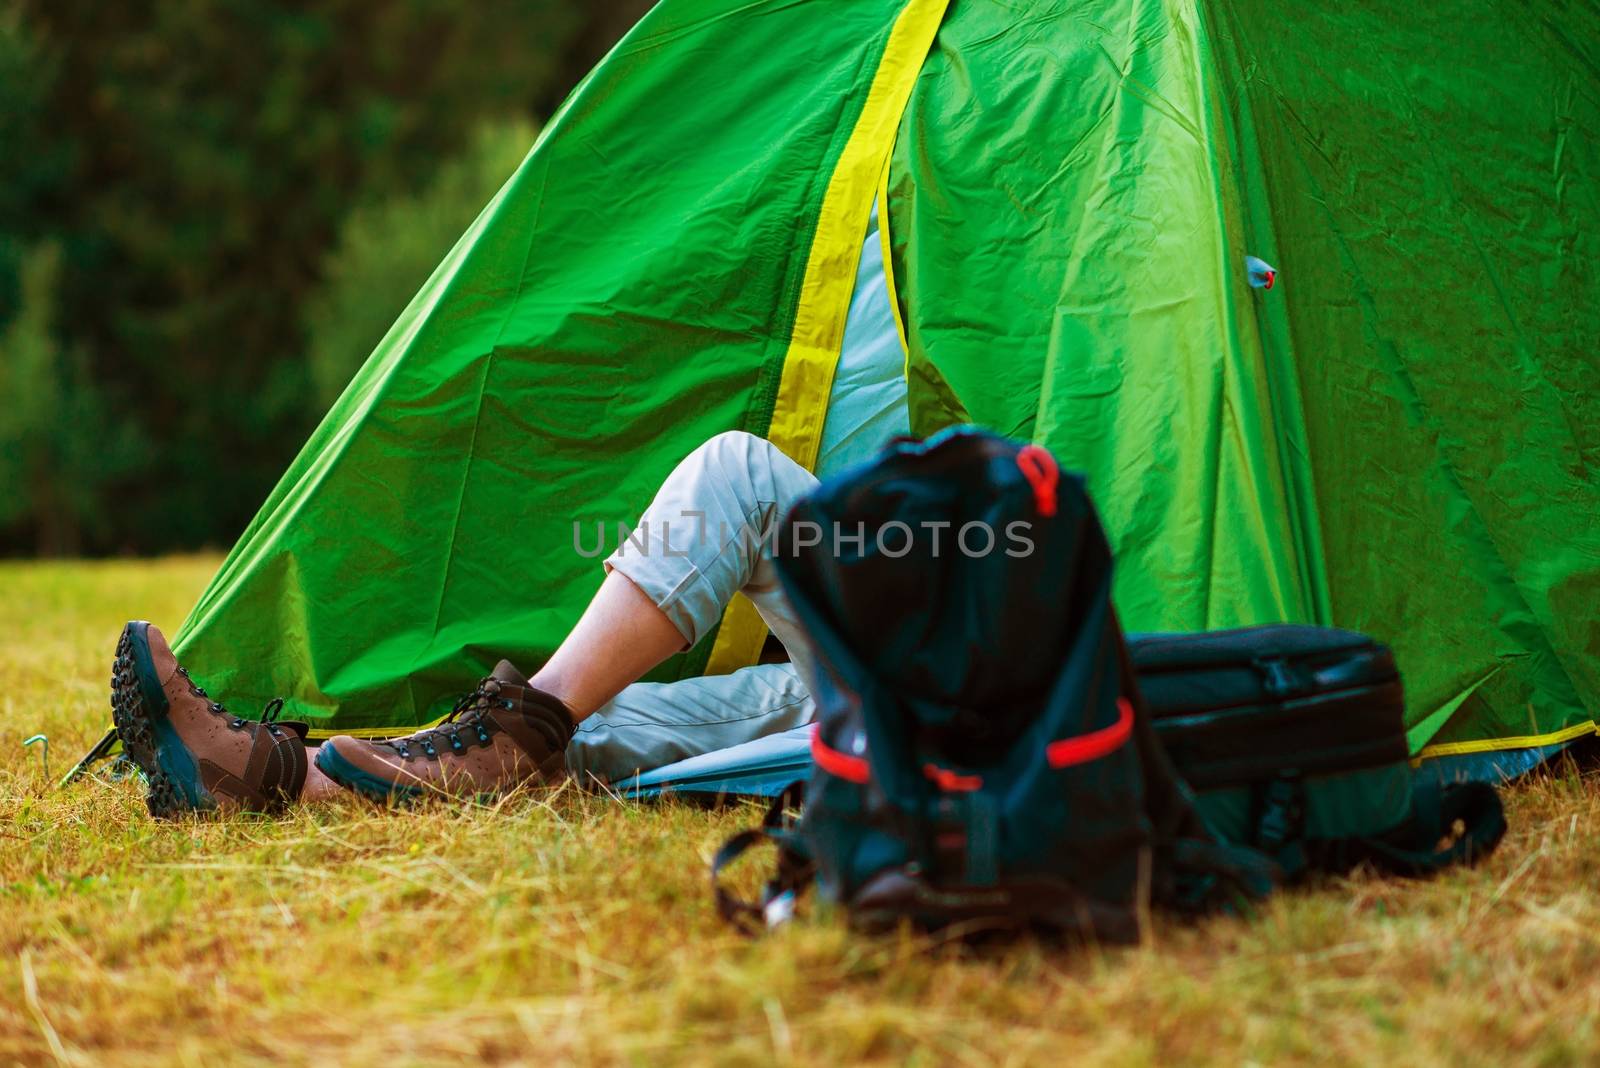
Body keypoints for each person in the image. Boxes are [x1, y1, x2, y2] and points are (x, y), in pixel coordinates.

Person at [111, 207, 907, 818]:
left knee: (742, 478)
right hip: (908, 681)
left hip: (987, 675)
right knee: (602, 723)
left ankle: (524, 728)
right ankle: (263, 778)